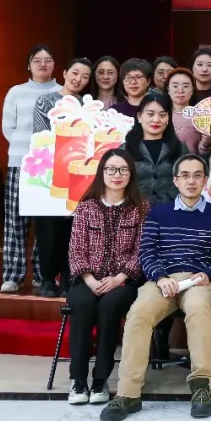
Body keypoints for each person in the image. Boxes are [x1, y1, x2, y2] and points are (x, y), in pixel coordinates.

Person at [100, 154, 211, 421]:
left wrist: (209, 273)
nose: (191, 181)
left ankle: (201, 386)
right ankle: (128, 393)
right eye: (185, 175)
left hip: (199, 281)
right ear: (175, 180)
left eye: (197, 175)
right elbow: (147, 251)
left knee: (199, 310)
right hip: (163, 280)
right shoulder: (158, 212)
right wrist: (159, 276)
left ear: (205, 180)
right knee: (138, 314)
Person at [66, 149, 146, 405]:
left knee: (110, 306)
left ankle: (100, 379)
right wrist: (90, 280)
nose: (116, 175)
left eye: (123, 169)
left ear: (131, 174)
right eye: (111, 169)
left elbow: (141, 251)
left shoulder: (140, 208)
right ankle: (78, 380)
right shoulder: (86, 207)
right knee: (83, 304)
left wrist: (119, 278)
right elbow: (76, 250)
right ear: (102, 172)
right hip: (87, 279)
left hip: (124, 281)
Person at [32, 57, 93, 297]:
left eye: (85, 76)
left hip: (79, 173)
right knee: (48, 228)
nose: (78, 79)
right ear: (65, 73)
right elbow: (39, 135)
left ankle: (69, 277)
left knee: (74, 228)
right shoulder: (45, 100)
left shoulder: (88, 105)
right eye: (75, 73)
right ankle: (48, 278)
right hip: (49, 171)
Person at [2, 46, 60, 293]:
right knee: (15, 222)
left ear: (55, 65)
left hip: (51, 168)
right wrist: (27, 150)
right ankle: (12, 276)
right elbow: (8, 128)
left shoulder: (62, 93)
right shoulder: (16, 92)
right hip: (20, 163)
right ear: (29, 65)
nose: (42, 64)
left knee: (46, 225)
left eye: (48, 60)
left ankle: (41, 273)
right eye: (37, 60)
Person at [124, 94, 183, 207]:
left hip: (172, 210)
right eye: (150, 114)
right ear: (139, 116)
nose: (156, 120)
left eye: (162, 115)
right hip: (136, 210)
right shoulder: (125, 149)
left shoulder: (180, 147)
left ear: (168, 118)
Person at [165, 68, 201, 153]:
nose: (180, 90)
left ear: (192, 90)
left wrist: (205, 144)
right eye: (175, 86)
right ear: (168, 90)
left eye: (185, 86)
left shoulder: (200, 115)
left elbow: (204, 151)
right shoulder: (161, 115)